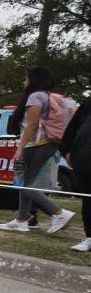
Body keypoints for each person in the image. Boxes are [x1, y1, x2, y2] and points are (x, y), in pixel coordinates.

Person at [0, 68, 75, 234]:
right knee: (27, 182)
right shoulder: (49, 96)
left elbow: (32, 124)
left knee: (23, 183)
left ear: (33, 80)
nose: (24, 82)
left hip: (37, 144)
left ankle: (59, 213)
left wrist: (20, 147)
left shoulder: (35, 96)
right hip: (48, 143)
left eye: (26, 79)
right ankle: (22, 220)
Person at [61, 97, 91, 251]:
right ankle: (90, 237)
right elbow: (72, 128)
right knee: (88, 199)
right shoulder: (88, 104)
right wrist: (67, 150)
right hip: (85, 158)